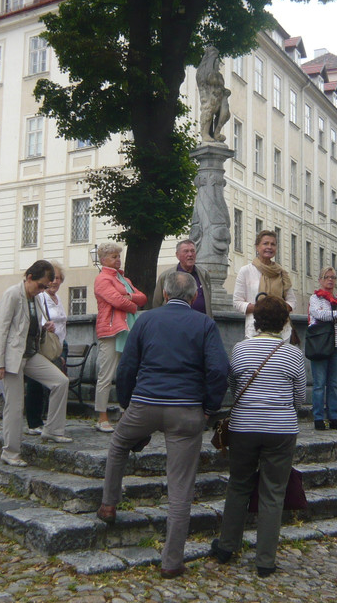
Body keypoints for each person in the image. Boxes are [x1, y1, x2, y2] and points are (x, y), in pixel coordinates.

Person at [96, 272, 228, 579]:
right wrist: (209, 407)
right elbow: (219, 369)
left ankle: (109, 503)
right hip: (187, 409)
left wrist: (128, 404)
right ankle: (171, 561)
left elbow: (128, 365)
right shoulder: (205, 324)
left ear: (164, 295)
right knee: (181, 486)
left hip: (146, 402)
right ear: (194, 298)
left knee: (118, 445)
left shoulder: (145, 321)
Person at [210, 294, 306, 577]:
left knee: (238, 484)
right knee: (273, 492)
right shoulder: (294, 354)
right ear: (284, 322)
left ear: (256, 320)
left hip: (243, 427)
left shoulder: (240, 349)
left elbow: (232, 385)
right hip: (281, 430)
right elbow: (299, 398)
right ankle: (265, 560)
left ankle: (227, 546)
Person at [0, 260, 73, 467]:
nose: (43, 290)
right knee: (15, 405)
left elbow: (31, 325)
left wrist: (46, 327)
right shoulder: (13, 294)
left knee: (60, 382)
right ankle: (10, 452)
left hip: (30, 354)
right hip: (12, 358)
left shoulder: (34, 297)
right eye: (41, 285)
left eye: (46, 286)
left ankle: (52, 430)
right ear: (29, 278)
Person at [93, 242, 147, 433]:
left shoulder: (123, 278)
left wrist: (128, 297)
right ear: (103, 259)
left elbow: (143, 297)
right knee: (106, 375)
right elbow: (116, 300)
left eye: (118, 256)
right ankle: (101, 416)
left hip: (127, 330)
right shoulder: (102, 279)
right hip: (110, 330)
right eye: (114, 256)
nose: (118, 259)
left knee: (127, 373)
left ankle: (127, 412)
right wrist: (131, 302)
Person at [307, 266, 337, 431]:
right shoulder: (315, 298)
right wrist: (336, 315)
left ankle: (333, 416)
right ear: (320, 280)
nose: (330, 280)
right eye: (327, 277)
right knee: (319, 383)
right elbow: (318, 314)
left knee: (334, 383)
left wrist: (333, 317)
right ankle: (318, 418)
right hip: (320, 344)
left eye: (333, 277)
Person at [24, 263, 68, 434]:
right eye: (52, 278)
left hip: (58, 344)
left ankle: (52, 423)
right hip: (44, 345)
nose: (54, 282)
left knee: (58, 382)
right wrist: (46, 327)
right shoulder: (41, 297)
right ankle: (35, 422)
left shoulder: (58, 299)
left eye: (57, 278)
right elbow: (37, 319)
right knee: (37, 383)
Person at [232, 230, 297, 340]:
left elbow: (292, 302)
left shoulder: (281, 273)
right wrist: (262, 309)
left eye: (273, 244)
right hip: (255, 331)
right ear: (257, 247)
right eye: (265, 243)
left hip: (281, 332)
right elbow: (237, 302)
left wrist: (277, 309)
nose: (269, 247)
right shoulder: (246, 271)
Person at [152, 239, 214, 317]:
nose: (190, 254)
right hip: (174, 323)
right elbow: (156, 304)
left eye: (192, 251)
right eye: (186, 251)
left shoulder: (204, 274)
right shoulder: (166, 277)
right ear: (177, 255)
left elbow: (208, 301)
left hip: (199, 324)